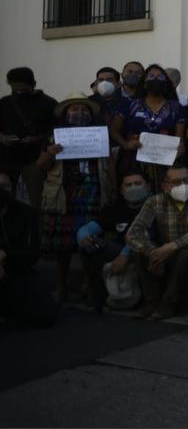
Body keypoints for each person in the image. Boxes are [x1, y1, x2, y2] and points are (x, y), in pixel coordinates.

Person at [35, 92, 116, 302]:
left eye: (83, 110)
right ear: (65, 113)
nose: (79, 113)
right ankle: (61, 286)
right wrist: (50, 153)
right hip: (64, 196)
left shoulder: (99, 135)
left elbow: (110, 166)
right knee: (62, 247)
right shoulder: (54, 137)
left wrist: (112, 190)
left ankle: (89, 286)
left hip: (92, 195)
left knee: (89, 243)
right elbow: (40, 166)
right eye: (74, 109)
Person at [124, 160, 188, 320]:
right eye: (176, 182)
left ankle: (169, 304)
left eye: (186, 181)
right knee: (138, 252)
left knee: (187, 254)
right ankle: (152, 302)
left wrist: (172, 246)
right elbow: (133, 233)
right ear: (165, 185)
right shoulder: (155, 201)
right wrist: (153, 252)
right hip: (164, 255)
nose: (183, 185)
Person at [77, 169, 149, 313]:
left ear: (147, 187)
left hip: (145, 250)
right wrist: (83, 238)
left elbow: (144, 234)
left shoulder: (155, 204)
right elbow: (89, 228)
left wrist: (124, 255)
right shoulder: (116, 207)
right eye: (128, 185)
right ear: (122, 190)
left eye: (138, 183)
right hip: (119, 251)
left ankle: (148, 300)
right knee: (89, 248)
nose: (133, 187)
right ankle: (97, 297)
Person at [0, 168, 58, 327]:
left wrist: (5, 255)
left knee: (45, 313)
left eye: (5, 186)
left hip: (16, 270)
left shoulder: (26, 213)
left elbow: (33, 253)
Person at [110, 64, 186, 184]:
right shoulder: (129, 104)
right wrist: (125, 144)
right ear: (144, 83)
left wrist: (180, 147)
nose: (155, 80)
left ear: (166, 83)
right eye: (151, 76)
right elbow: (113, 129)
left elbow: (179, 138)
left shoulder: (176, 108)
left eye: (160, 77)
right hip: (132, 161)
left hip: (165, 163)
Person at [0, 67, 58, 208]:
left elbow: (56, 130)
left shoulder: (49, 103)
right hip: (6, 159)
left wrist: (36, 138)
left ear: (33, 84)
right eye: (15, 89)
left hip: (36, 159)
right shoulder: (4, 102)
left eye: (23, 90)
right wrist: (2, 137)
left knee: (37, 200)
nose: (19, 93)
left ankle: (36, 229)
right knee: (4, 200)